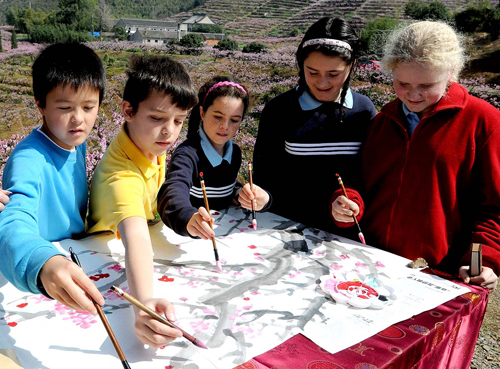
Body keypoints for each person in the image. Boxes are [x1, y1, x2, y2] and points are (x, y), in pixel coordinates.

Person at [331, 21, 500, 290]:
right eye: (402, 83)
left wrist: (485, 259)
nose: (413, 95)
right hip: (372, 262)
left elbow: (493, 207)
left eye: (426, 84)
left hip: (441, 275)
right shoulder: (384, 119)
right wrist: (349, 202)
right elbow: (362, 182)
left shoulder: (485, 121)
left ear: (452, 73)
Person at [86, 54, 198, 347]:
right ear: (128, 110)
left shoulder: (148, 144)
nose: (170, 131)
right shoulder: (120, 174)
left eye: (179, 120)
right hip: (96, 256)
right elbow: (135, 238)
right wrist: (145, 302)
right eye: (157, 118)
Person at [0, 43, 106, 314]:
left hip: (74, 258)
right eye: (65, 107)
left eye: (88, 106)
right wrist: (44, 261)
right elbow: (12, 221)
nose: (78, 119)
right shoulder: (29, 160)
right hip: (43, 277)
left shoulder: (75, 142)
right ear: (40, 105)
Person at [252, 17, 376, 235]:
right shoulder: (280, 109)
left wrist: (352, 203)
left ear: (352, 64)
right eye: (313, 72)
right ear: (301, 65)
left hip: (344, 235)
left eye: (334, 74)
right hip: (284, 230)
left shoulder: (363, 111)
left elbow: (369, 177)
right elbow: (265, 177)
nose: (322, 83)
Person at [158, 76, 271, 239]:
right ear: (202, 113)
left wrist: (242, 193)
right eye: (218, 117)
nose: (225, 126)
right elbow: (173, 190)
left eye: (234, 120)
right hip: (191, 237)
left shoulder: (235, 153)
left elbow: (224, 186)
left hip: (227, 234)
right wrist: (187, 216)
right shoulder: (187, 154)